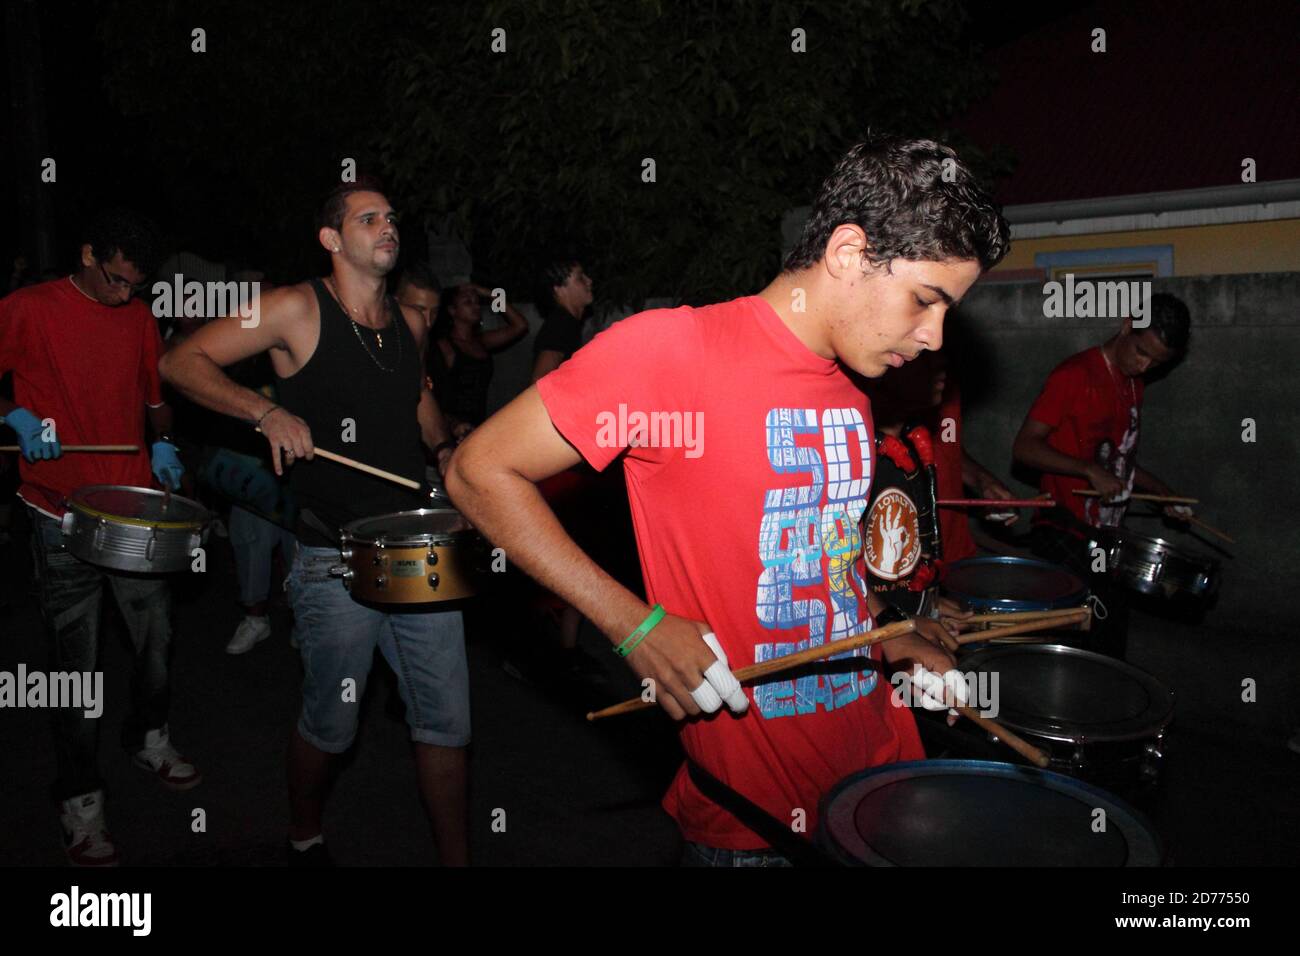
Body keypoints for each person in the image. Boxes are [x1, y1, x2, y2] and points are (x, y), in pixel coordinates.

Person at [448, 135, 1009, 863]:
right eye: (925, 301)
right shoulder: (672, 351)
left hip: (878, 775)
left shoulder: (853, 388)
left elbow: (823, 560)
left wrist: (886, 634)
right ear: (847, 253)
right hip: (757, 826)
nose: (934, 338)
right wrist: (634, 624)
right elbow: (478, 471)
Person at [160, 179, 468, 866]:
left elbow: (416, 394)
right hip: (332, 560)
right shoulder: (295, 310)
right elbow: (180, 361)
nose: (387, 226)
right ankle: (303, 832)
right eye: (368, 218)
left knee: (446, 724)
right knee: (332, 725)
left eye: (391, 217)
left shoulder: (409, 322)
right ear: (332, 240)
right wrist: (263, 411)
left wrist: (444, 448)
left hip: (418, 554)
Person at [0, 208, 200, 867]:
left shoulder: (138, 317)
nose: (124, 296)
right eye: (115, 281)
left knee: (157, 643)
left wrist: (166, 443)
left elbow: (154, 401)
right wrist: (17, 415)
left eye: (135, 287)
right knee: (74, 666)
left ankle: (148, 736)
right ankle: (79, 800)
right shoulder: (26, 308)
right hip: (56, 513)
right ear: (88, 253)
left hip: (133, 510)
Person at [1012, 292, 1192, 658]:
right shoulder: (1075, 375)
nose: (1144, 367)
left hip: (1106, 536)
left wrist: (1164, 493)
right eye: (1141, 352)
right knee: (1071, 647)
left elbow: (1119, 464)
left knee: (1108, 643)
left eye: (1156, 363)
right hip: (1062, 528)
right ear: (1127, 325)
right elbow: (1024, 447)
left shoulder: (1133, 385)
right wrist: (1087, 471)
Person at [429, 281, 528, 434]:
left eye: (477, 302)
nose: (476, 306)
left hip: (478, 425)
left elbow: (520, 325)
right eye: (468, 302)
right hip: (451, 427)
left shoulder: (481, 341)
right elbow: (434, 395)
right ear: (452, 310)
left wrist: (489, 294)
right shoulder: (444, 346)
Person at [530, 257, 594, 382]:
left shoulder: (567, 322)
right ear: (559, 290)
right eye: (580, 278)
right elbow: (540, 379)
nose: (589, 281)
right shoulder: (560, 324)